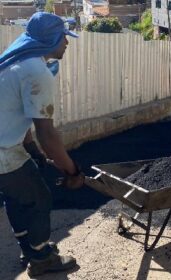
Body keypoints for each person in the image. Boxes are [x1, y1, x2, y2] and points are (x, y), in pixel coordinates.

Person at [0, 12, 85, 277]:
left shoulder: (15, 61)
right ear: (50, 39)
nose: (67, 43)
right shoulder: (36, 72)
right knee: (39, 199)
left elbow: (15, 113)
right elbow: (47, 134)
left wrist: (32, 151)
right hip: (2, 152)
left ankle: (28, 247)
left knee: (16, 197)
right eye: (63, 37)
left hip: (7, 146)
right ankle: (41, 258)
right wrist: (72, 171)